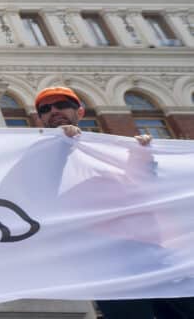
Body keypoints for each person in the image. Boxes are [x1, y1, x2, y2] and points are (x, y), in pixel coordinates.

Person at [33, 87, 194, 319]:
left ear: (80, 111)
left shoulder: (109, 150)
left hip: (155, 255)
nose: (54, 111)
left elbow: (143, 186)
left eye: (62, 105)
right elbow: (42, 191)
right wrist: (60, 146)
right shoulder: (40, 156)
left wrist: (143, 153)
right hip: (104, 263)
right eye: (46, 109)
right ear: (39, 118)